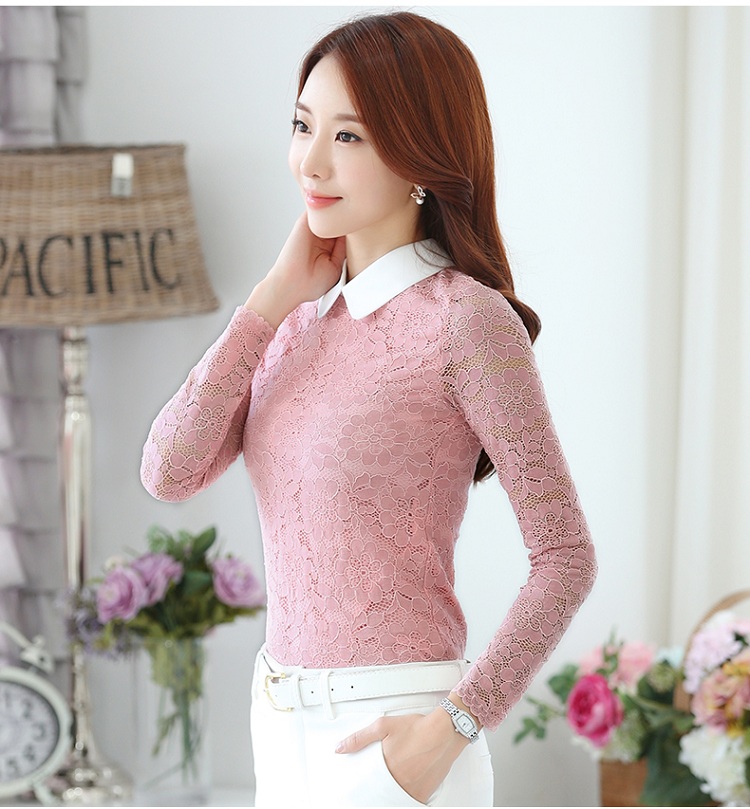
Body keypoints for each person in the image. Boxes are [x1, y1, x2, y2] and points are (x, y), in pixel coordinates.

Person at [141, 10, 597, 808]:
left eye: (348, 136)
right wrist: (270, 299)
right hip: (278, 724)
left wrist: (456, 723)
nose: (311, 161)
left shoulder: (466, 319)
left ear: (420, 154)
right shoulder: (294, 320)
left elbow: (566, 555)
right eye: (302, 126)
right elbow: (168, 472)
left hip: (395, 731)